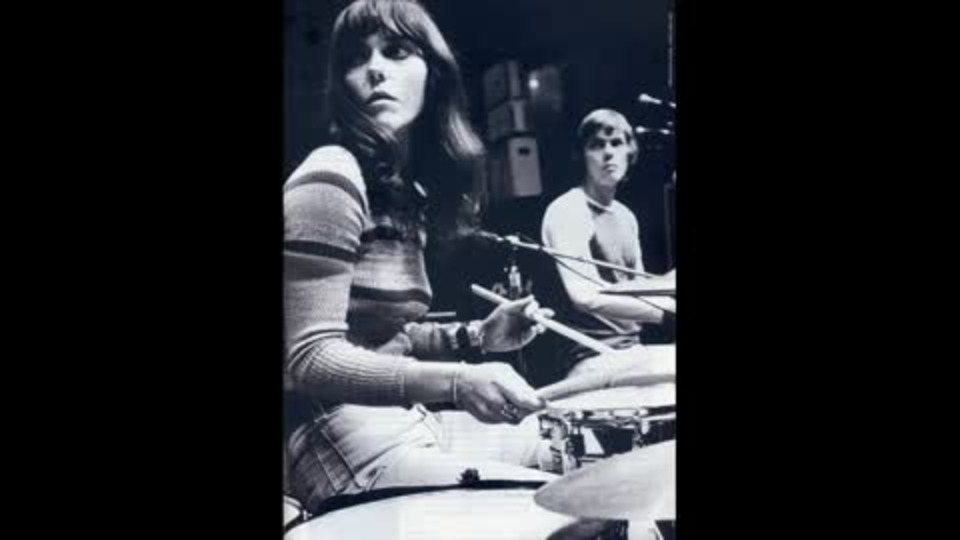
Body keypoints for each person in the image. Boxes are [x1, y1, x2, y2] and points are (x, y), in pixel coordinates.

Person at [283, 0, 556, 515]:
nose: (374, 69)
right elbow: (309, 358)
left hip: (402, 417)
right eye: (356, 58)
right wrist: (458, 380)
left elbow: (388, 336)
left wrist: (479, 336)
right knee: (550, 507)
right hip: (332, 431)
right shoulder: (331, 173)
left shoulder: (404, 194)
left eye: (396, 51)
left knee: (566, 455)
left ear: (434, 72)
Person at [541, 109, 676, 383]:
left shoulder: (625, 216)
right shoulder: (569, 209)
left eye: (616, 143)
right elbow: (584, 297)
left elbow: (639, 289)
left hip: (631, 353)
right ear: (582, 155)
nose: (608, 153)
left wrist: (668, 283)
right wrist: (667, 312)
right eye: (596, 145)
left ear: (630, 152)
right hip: (590, 357)